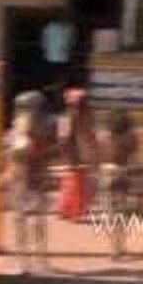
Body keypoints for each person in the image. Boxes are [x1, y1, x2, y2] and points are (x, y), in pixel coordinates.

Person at [1, 91, 56, 274]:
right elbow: (11, 152)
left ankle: (39, 261)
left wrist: (35, 149)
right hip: (19, 181)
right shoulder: (17, 127)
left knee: (35, 221)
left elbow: (50, 152)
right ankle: (23, 262)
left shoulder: (46, 128)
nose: (23, 112)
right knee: (21, 221)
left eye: (27, 108)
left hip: (34, 179)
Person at [98, 109, 138, 260]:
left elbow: (97, 154)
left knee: (109, 214)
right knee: (122, 215)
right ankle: (121, 248)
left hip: (106, 173)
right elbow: (134, 158)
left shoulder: (103, 136)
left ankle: (114, 250)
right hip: (123, 173)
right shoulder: (131, 137)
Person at [57, 87, 98, 221]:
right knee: (76, 183)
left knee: (74, 182)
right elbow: (65, 138)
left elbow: (64, 138)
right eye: (82, 102)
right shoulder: (73, 116)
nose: (84, 104)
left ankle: (69, 210)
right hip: (76, 154)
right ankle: (72, 211)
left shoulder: (75, 115)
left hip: (78, 154)